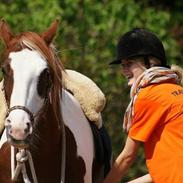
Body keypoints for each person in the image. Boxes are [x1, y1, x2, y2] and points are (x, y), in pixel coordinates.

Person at [103, 28, 183, 183]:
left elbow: (127, 157)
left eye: (129, 63)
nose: (123, 69)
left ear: (150, 62)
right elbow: (168, 167)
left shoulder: (149, 96)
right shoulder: (178, 91)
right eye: (122, 65)